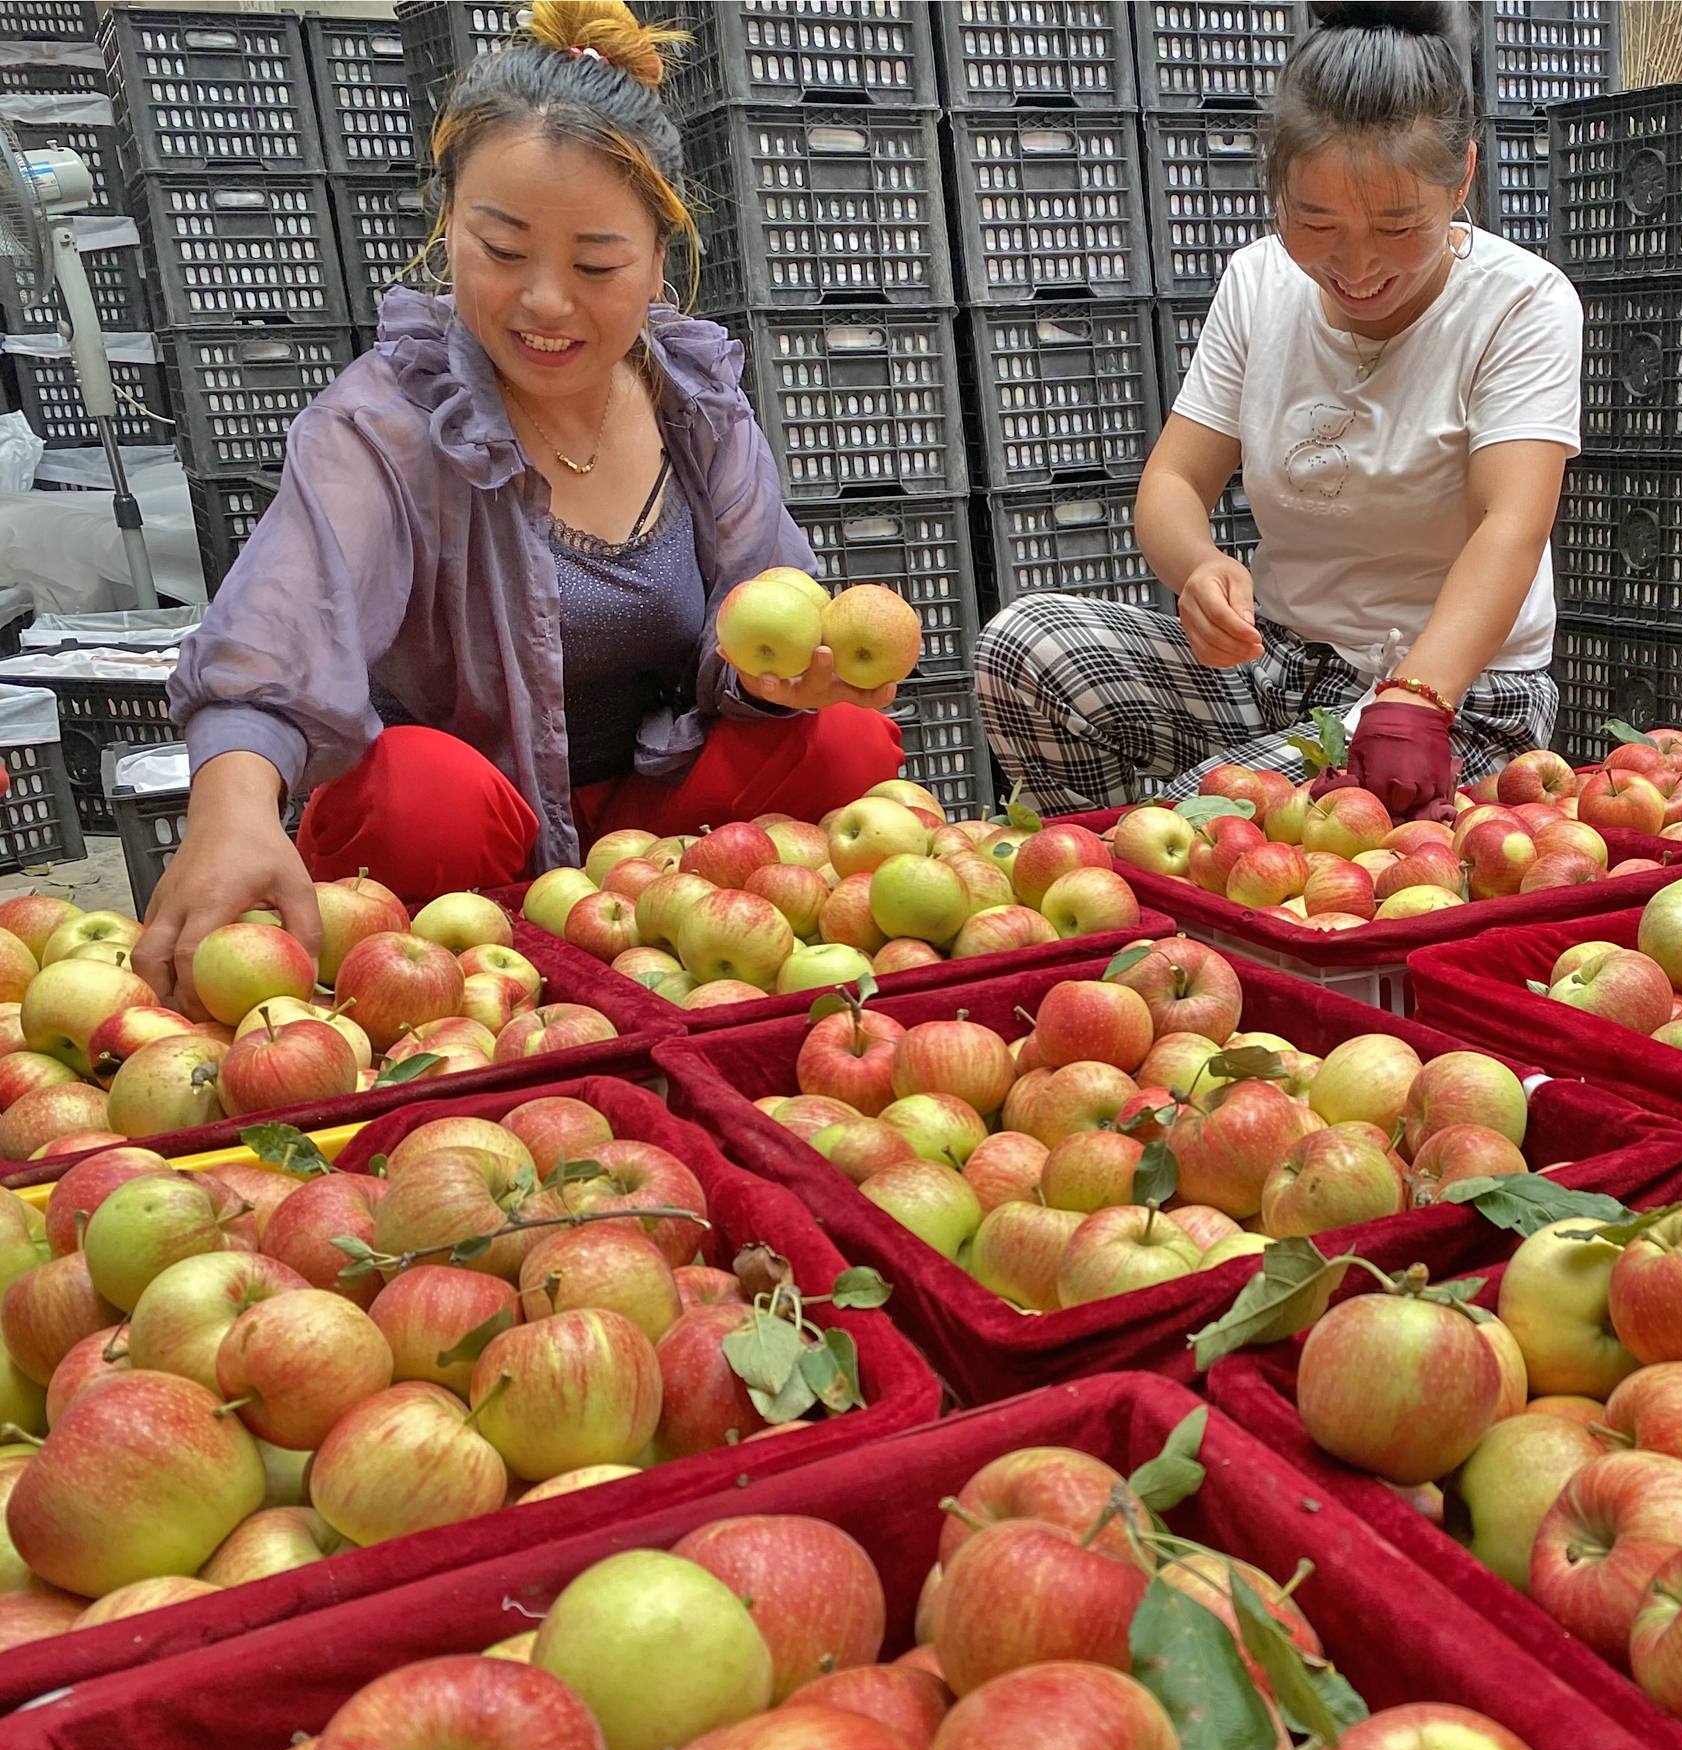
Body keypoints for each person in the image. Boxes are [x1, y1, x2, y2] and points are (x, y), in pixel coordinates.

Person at [134, 0, 902, 1008]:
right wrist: (231, 805)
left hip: (654, 840)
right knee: (414, 789)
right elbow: (287, 608)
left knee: (846, 740)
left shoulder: (697, 408)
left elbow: (764, 606)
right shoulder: (390, 422)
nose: (544, 302)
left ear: (660, 258)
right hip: (465, 859)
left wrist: (778, 683)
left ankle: (718, 967)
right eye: (499, 252)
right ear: (447, 225)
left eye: (595, 265)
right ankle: (438, 1000)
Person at [976, 0, 1581, 826]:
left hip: (1454, 696)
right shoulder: (1259, 283)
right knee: (1027, 650)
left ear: (1463, 178)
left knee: (1193, 829)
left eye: (1399, 224)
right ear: (1275, 190)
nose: (1357, 263)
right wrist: (1197, 568)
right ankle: (1133, 892)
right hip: (1279, 665)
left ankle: (1156, 873)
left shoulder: (1522, 305)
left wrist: (1417, 697)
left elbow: (1510, 527)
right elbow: (1173, 482)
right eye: (1315, 220)